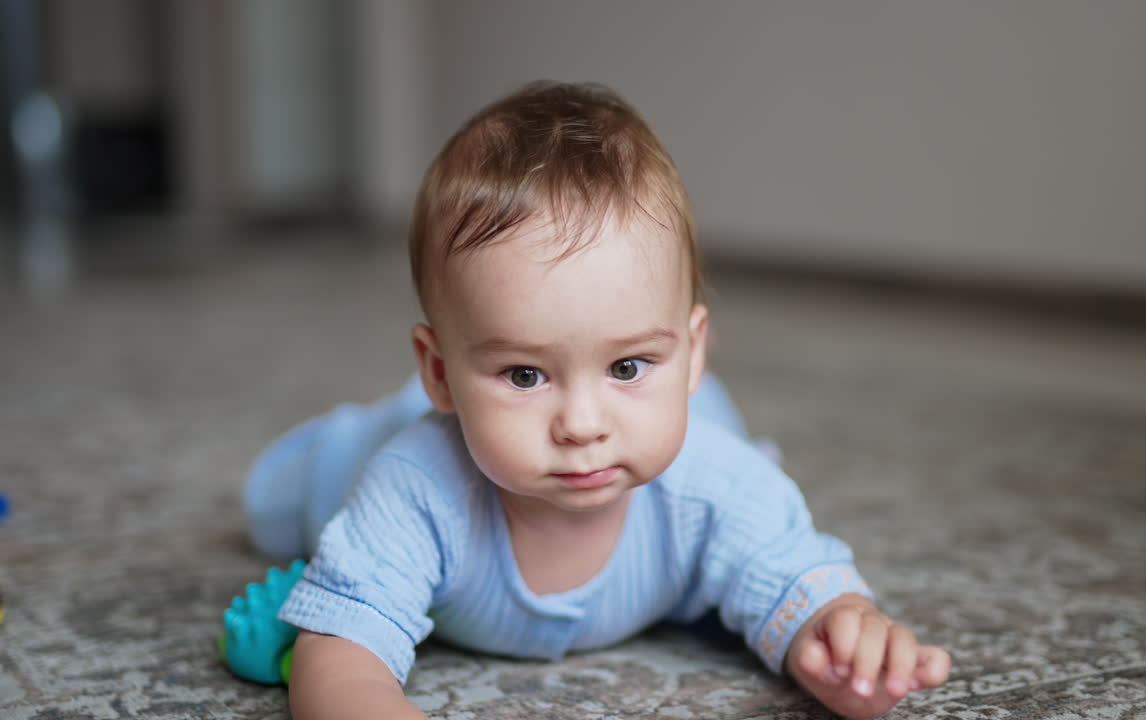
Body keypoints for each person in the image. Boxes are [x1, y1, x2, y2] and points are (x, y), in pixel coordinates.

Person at [245, 81, 951, 719]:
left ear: (694, 348)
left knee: (705, 433)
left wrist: (840, 638)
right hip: (370, 454)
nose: (581, 426)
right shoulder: (414, 490)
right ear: (439, 370)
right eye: (525, 374)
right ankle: (399, 416)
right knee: (283, 503)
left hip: (676, 435)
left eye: (627, 364)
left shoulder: (717, 486)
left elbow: (797, 581)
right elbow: (339, 660)